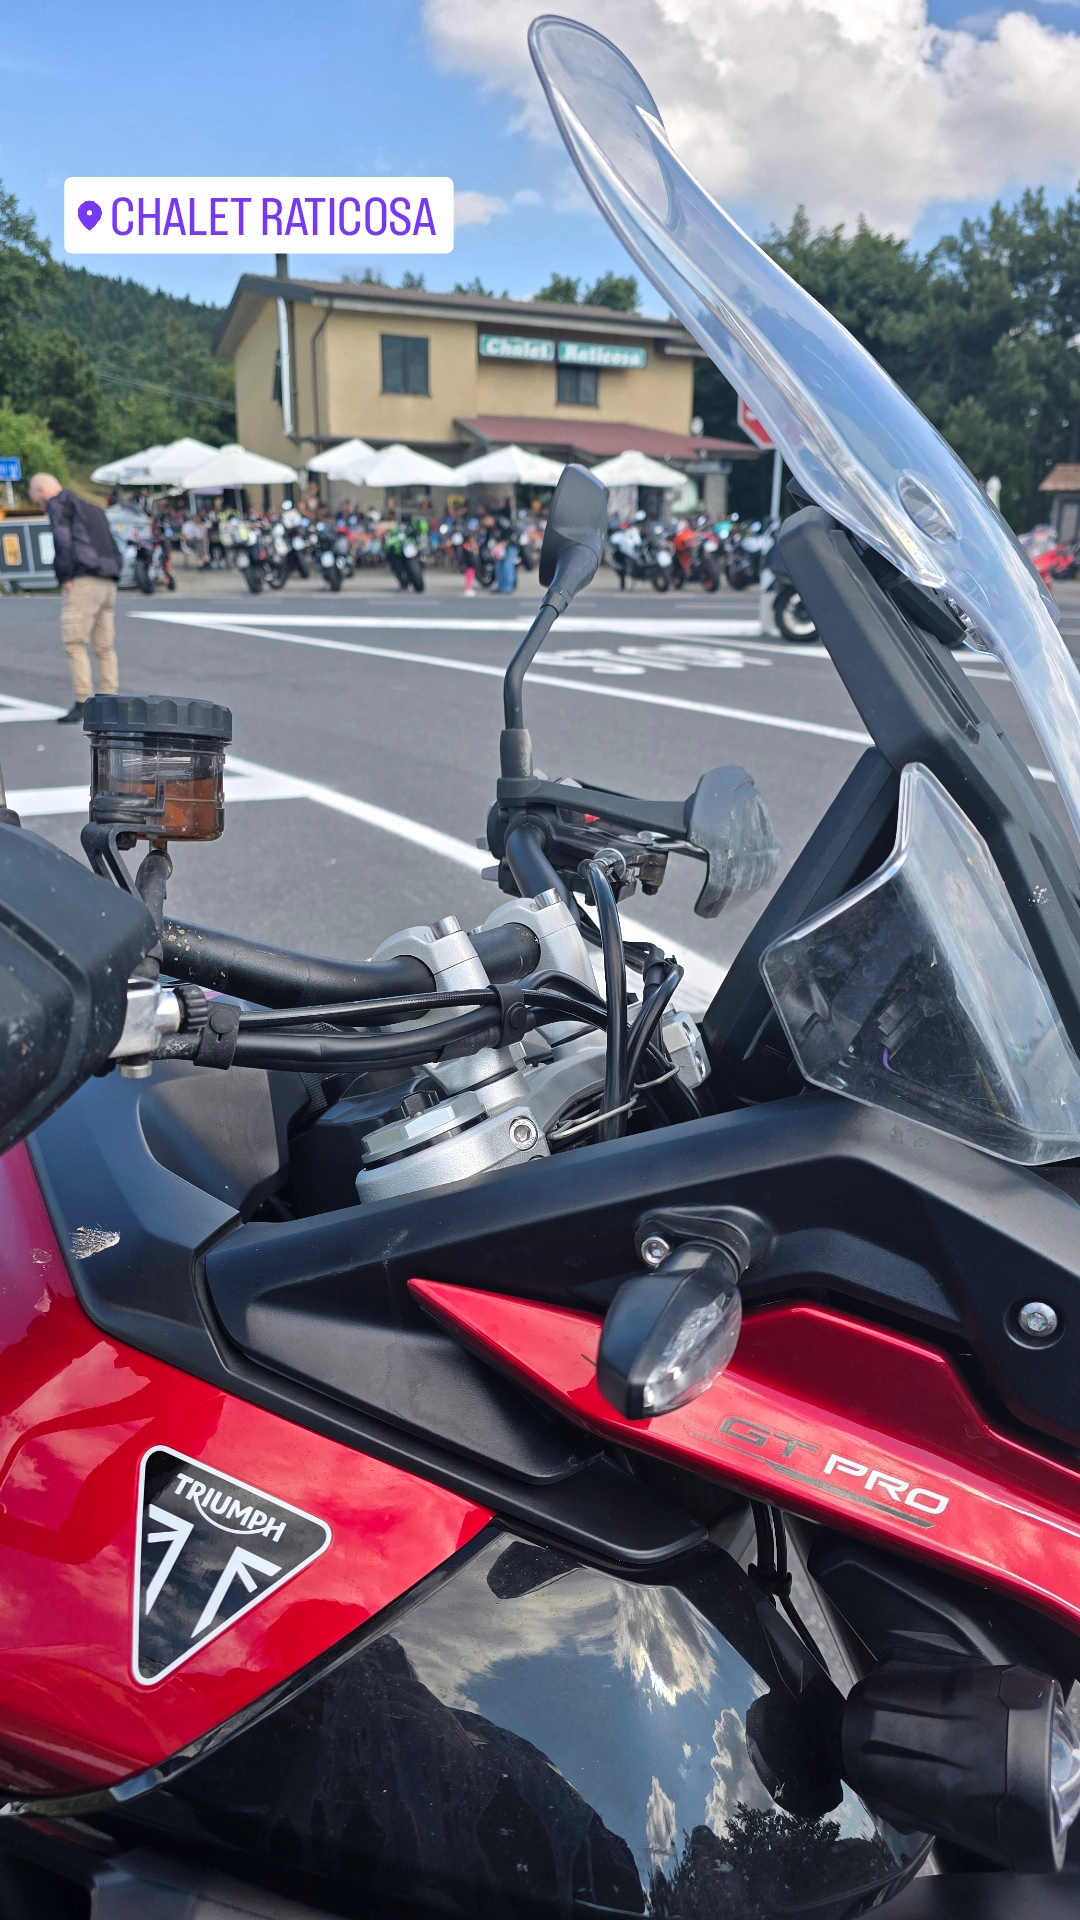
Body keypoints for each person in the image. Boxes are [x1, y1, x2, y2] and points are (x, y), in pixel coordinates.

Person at [28, 473, 120, 724]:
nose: (39, 505)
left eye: (36, 498)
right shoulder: (91, 507)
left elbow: (62, 540)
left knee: (75, 643)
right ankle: (110, 699)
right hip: (108, 580)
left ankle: (82, 701)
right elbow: (112, 542)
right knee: (105, 646)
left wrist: (65, 575)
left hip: (84, 579)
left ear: (42, 490)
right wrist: (115, 571)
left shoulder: (59, 504)